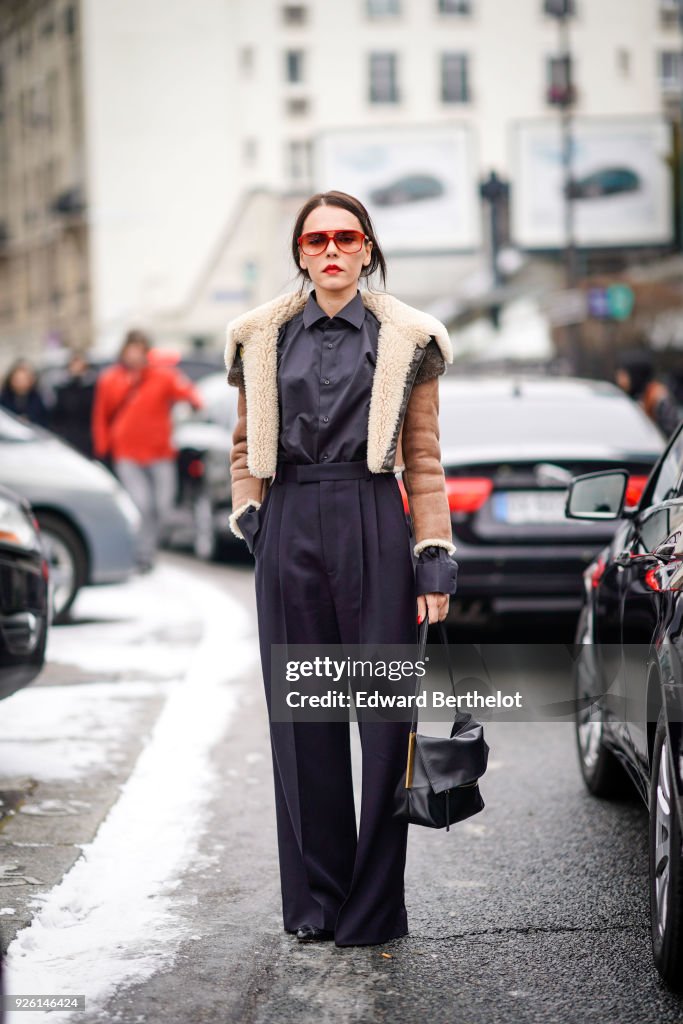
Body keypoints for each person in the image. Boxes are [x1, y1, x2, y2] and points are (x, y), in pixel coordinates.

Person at [224, 190, 459, 948]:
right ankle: (318, 903)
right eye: (316, 239)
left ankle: (371, 908)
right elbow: (241, 445)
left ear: (366, 249)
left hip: (372, 521)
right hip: (288, 519)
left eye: (345, 237)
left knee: (385, 727)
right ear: (299, 252)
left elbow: (422, 459)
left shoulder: (407, 339)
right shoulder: (259, 338)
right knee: (303, 721)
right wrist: (252, 512)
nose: (330, 250)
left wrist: (432, 557)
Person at [92, 329, 203, 571]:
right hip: (127, 453)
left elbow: (188, 392)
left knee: (163, 507)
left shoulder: (163, 376)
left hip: (160, 452)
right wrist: (102, 448)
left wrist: (195, 403)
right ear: (124, 351)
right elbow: (101, 415)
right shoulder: (110, 379)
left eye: (140, 349)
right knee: (142, 505)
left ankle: (149, 548)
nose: (135, 355)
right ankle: (142, 555)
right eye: (131, 349)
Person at [615, 349, 681, 439]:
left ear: (635, 374)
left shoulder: (658, 398)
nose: (619, 379)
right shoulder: (629, 396)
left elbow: (671, 433)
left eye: (623, 374)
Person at [49, 350, 98, 457]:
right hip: (67, 437)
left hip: (87, 438)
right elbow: (56, 415)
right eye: (74, 363)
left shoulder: (93, 387)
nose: (77, 366)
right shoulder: (62, 388)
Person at [0, 359, 49, 427]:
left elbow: (44, 420)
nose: (21, 383)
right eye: (17, 379)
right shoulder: (4, 399)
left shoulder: (37, 399)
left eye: (24, 379)